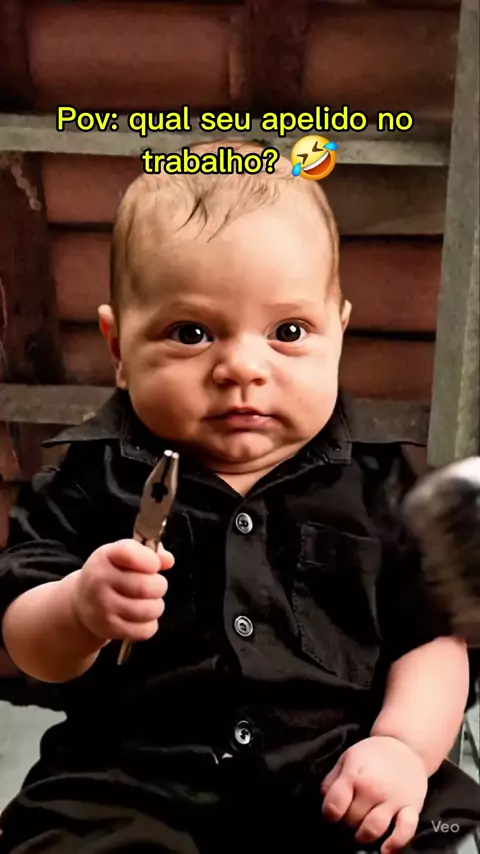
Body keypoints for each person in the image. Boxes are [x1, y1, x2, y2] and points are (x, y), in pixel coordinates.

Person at [0, 142, 479, 854]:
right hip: (132, 781)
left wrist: (403, 747)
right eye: (191, 333)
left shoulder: (384, 484)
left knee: (427, 829)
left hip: (337, 775)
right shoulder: (88, 477)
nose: (243, 368)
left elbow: (432, 639)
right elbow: (26, 641)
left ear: (338, 333)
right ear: (119, 348)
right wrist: (78, 609)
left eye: (289, 332)